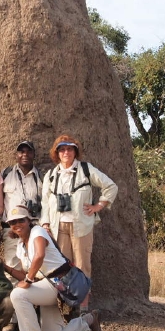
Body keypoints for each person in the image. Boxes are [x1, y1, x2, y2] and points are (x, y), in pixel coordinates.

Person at [3, 205, 101, 331]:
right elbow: (25, 275)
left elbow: (39, 255)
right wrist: (5, 267)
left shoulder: (38, 231)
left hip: (60, 283)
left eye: (21, 220)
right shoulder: (20, 246)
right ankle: (89, 319)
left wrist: (28, 280)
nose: (17, 224)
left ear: (29, 220)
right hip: (45, 288)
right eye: (13, 222)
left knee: (18, 294)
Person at [40, 134, 117, 313]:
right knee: (62, 269)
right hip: (58, 227)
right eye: (62, 149)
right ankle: (66, 308)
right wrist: (45, 225)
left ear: (75, 151)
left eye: (70, 149)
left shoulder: (86, 170)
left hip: (81, 226)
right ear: (57, 153)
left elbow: (111, 186)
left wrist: (99, 206)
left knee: (82, 266)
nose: (66, 152)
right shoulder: (51, 175)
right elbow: (45, 202)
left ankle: (83, 308)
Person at [0, 140, 42, 331]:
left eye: (28, 151)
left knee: (37, 270)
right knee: (12, 270)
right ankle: (14, 319)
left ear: (34, 154)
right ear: (16, 155)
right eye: (21, 151)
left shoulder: (42, 177)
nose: (24, 154)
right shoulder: (6, 174)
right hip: (12, 230)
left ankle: (37, 315)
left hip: (33, 229)